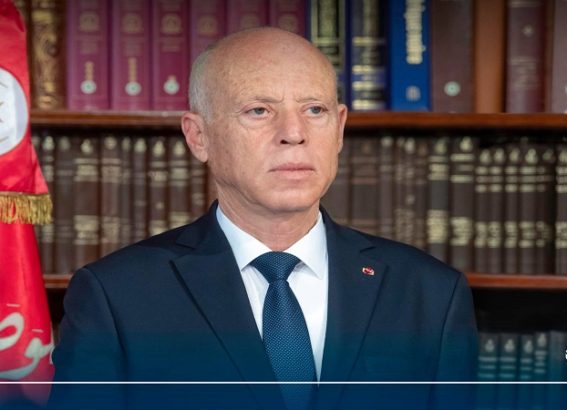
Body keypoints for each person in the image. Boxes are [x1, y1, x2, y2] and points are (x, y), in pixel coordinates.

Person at [49, 27, 478, 410]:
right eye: (259, 110)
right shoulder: (116, 296)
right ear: (198, 136)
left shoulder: (431, 295)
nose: (294, 133)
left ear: (340, 128)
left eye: (315, 110)